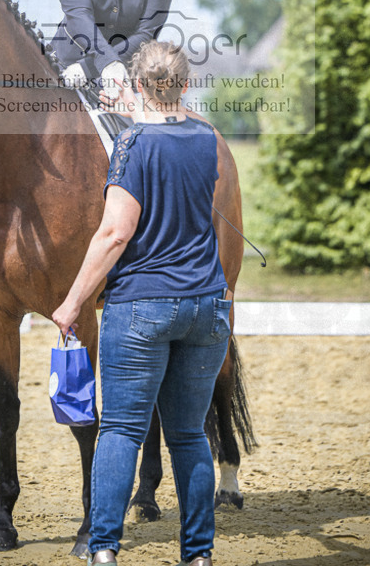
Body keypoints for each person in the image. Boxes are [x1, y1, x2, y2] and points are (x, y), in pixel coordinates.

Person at [53, 41, 230, 566]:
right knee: (189, 435)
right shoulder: (205, 137)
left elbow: (113, 234)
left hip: (141, 308)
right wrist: (137, 103)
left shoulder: (130, 145)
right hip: (206, 305)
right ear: (186, 84)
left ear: (136, 85)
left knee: (122, 431)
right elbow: (173, 123)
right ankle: (197, 555)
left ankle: (104, 548)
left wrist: (70, 302)